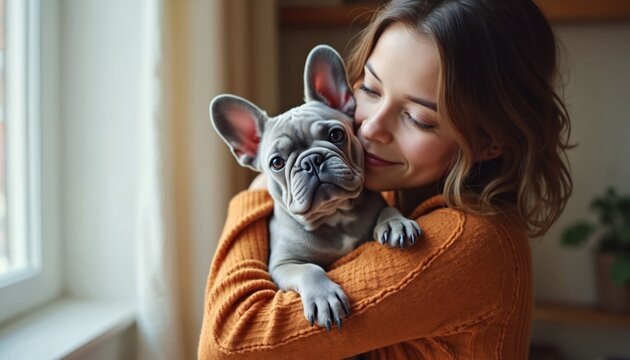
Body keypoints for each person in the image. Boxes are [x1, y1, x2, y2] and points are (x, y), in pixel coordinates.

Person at [198, 0, 572, 358]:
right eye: (371, 89)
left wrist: (256, 193)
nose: (373, 127)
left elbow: (229, 345)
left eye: (418, 118)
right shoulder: (391, 191)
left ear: (491, 141)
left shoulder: (463, 241)